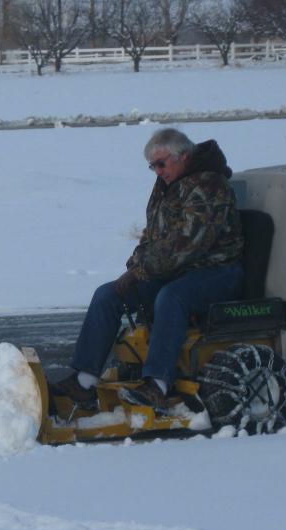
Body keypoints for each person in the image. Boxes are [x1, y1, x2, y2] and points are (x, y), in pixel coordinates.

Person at [50, 128, 245, 413]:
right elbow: (153, 236)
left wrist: (142, 273)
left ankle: (157, 384)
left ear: (184, 157)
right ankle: (84, 381)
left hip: (218, 271)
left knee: (171, 297)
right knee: (108, 295)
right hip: (179, 269)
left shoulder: (209, 186)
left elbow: (187, 244)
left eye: (161, 163)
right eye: (152, 166)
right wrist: (135, 267)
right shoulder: (168, 183)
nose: (157, 171)